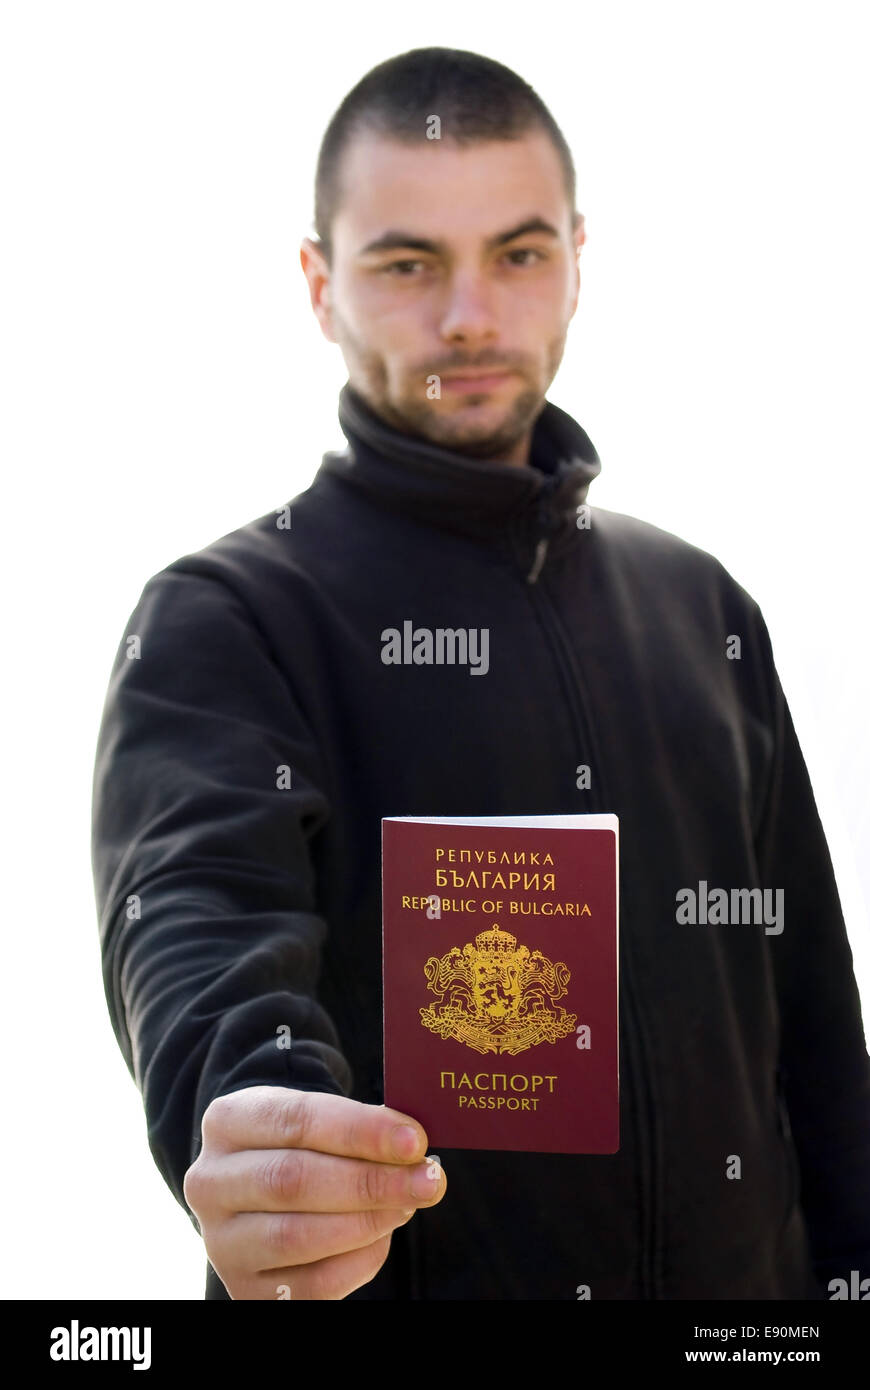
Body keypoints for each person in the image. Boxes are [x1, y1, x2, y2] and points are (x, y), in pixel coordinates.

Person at [90, 46, 870, 1301]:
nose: (470, 316)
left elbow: (816, 1032)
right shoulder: (229, 619)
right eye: (407, 264)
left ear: (576, 258)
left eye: (518, 253)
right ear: (319, 284)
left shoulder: (702, 605)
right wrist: (250, 1120)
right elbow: (199, 918)